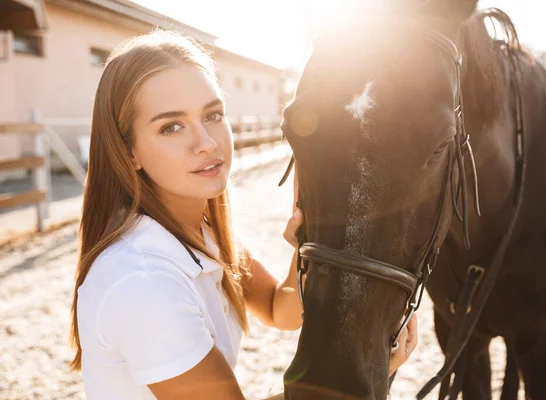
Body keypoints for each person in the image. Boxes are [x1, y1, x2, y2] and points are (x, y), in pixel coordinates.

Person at [69, 29, 418, 400]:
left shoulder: (200, 234)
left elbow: (277, 308)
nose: (206, 142)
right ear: (129, 153)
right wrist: (353, 376)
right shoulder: (142, 282)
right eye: (171, 127)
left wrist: (307, 241)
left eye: (213, 114)